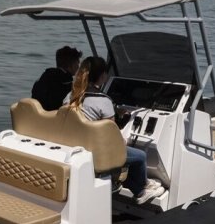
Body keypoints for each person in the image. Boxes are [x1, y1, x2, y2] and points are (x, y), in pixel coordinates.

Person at [67, 55, 166, 205]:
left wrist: (114, 110)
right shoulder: (103, 100)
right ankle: (142, 190)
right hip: (97, 152)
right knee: (140, 156)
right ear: (102, 76)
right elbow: (111, 135)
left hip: (76, 146)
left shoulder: (70, 96)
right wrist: (122, 140)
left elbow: (88, 112)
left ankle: (140, 183)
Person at [31, 45, 81, 110]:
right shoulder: (66, 83)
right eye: (78, 62)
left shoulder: (42, 79)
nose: (79, 66)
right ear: (72, 64)